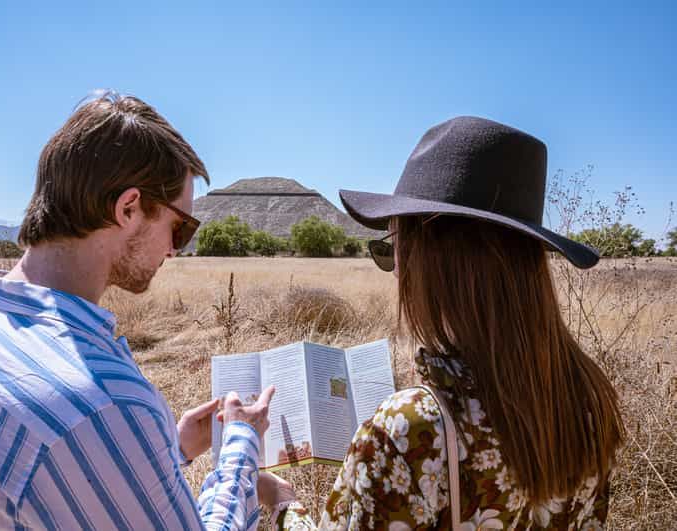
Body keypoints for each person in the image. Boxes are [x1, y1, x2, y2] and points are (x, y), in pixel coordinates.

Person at [0, 91, 277, 530]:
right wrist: (240, 444)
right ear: (129, 208)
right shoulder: (103, 405)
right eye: (181, 228)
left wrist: (164, 450)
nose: (176, 251)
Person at [265, 116, 624, 529]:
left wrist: (282, 504)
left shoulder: (409, 430)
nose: (396, 270)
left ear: (434, 259)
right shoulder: (590, 398)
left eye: (394, 247)